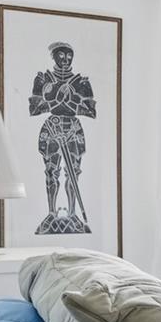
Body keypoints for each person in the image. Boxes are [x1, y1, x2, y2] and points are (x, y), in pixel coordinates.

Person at [28, 41, 96, 234]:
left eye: (69, 56)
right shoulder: (43, 79)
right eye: (61, 56)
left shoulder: (81, 82)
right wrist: (57, 97)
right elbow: (34, 108)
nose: (65, 60)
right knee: (51, 172)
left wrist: (72, 96)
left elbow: (90, 110)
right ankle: (51, 212)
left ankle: (73, 212)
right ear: (54, 57)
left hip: (73, 128)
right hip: (52, 127)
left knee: (73, 173)